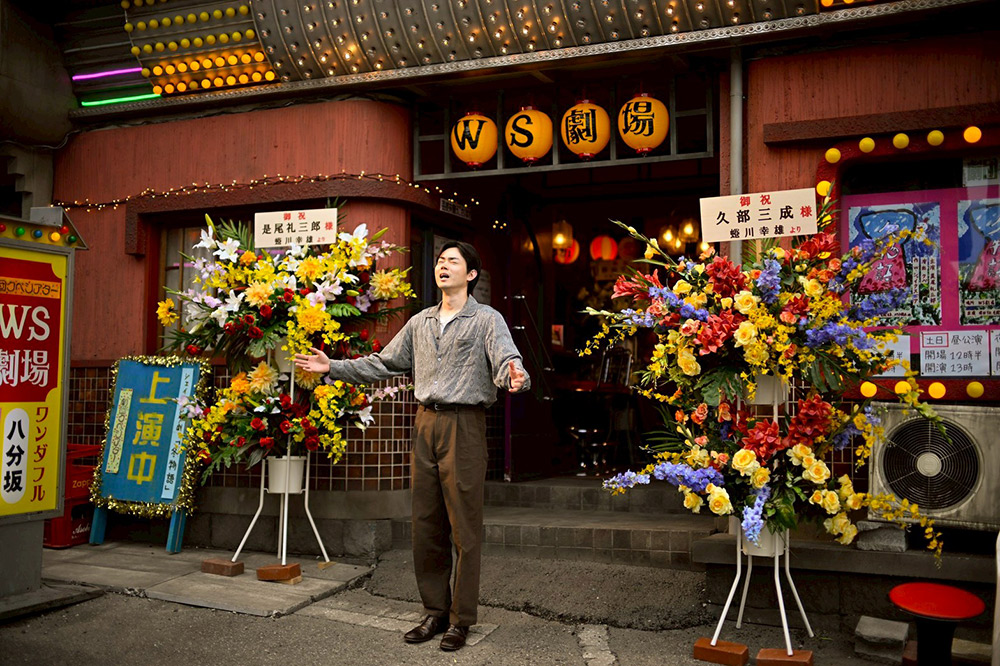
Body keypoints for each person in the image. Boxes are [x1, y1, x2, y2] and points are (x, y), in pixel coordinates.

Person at [294, 240, 530, 651]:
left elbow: (507, 359)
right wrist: (332, 366)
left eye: (452, 262)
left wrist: (515, 375)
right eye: (440, 261)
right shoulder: (421, 322)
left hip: (465, 426)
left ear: (470, 275)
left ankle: (461, 619)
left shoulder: (486, 319)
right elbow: (383, 363)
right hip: (425, 424)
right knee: (425, 524)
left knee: (464, 529)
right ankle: (434, 612)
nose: (443, 267)